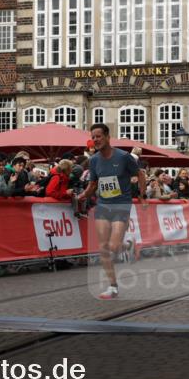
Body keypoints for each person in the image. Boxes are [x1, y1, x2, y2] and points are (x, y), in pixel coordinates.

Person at [77, 123, 147, 299]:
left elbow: (140, 174)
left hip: (121, 204)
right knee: (104, 248)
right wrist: (82, 196)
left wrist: (142, 195)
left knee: (113, 247)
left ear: (108, 137)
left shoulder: (124, 157)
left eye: (98, 136)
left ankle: (125, 246)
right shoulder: (93, 161)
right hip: (103, 205)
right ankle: (113, 286)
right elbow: (93, 184)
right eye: (93, 137)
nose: (95, 140)